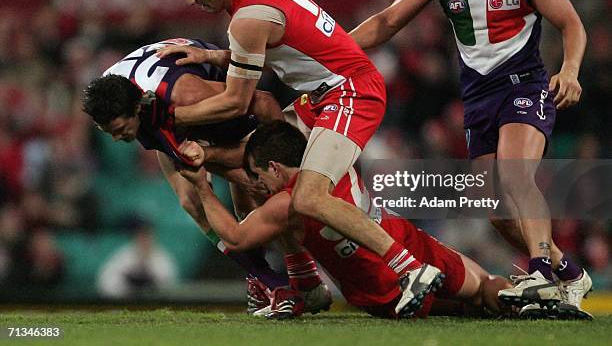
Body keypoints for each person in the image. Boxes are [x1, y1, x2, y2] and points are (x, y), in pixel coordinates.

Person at [156, 0, 443, 316]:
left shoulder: (247, 18)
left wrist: (163, 118)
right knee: (250, 162)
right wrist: (210, 55)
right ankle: (304, 281)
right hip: (323, 97)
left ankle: (410, 269)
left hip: (350, 92)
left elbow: (236, 101)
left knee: (309, 196)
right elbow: (262, 46)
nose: (191, 2)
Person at [349, 0, 591, 319]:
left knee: (516, 175)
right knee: (497, 211)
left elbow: (572, 24)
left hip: (523, 86)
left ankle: (539, 271)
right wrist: (334, 49)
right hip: (477, 95)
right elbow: (386, 23)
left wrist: (570, 70)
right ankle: (569, 273)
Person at [178, 120, 511, 319]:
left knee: (469, 307)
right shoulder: (334, 158)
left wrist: (202, 187)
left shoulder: (286, 203)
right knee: (487, 290)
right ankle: (530, 300)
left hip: (383, 291)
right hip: (410, 247)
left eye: (258, 175)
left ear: (276, 167)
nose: (256, 183)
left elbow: (236, 237)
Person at [82, 38, 294, 311]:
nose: (115, 138)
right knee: (191, 202)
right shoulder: (111, 98)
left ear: (136, 110)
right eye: (108, 131)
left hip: (217, 104)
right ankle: (267, 280)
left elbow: (264, 102)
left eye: (120, 129)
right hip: (163, 109)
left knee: (257, 189)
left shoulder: (186, 95)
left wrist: (287, 160)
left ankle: (299, 275)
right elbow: (169, 139)